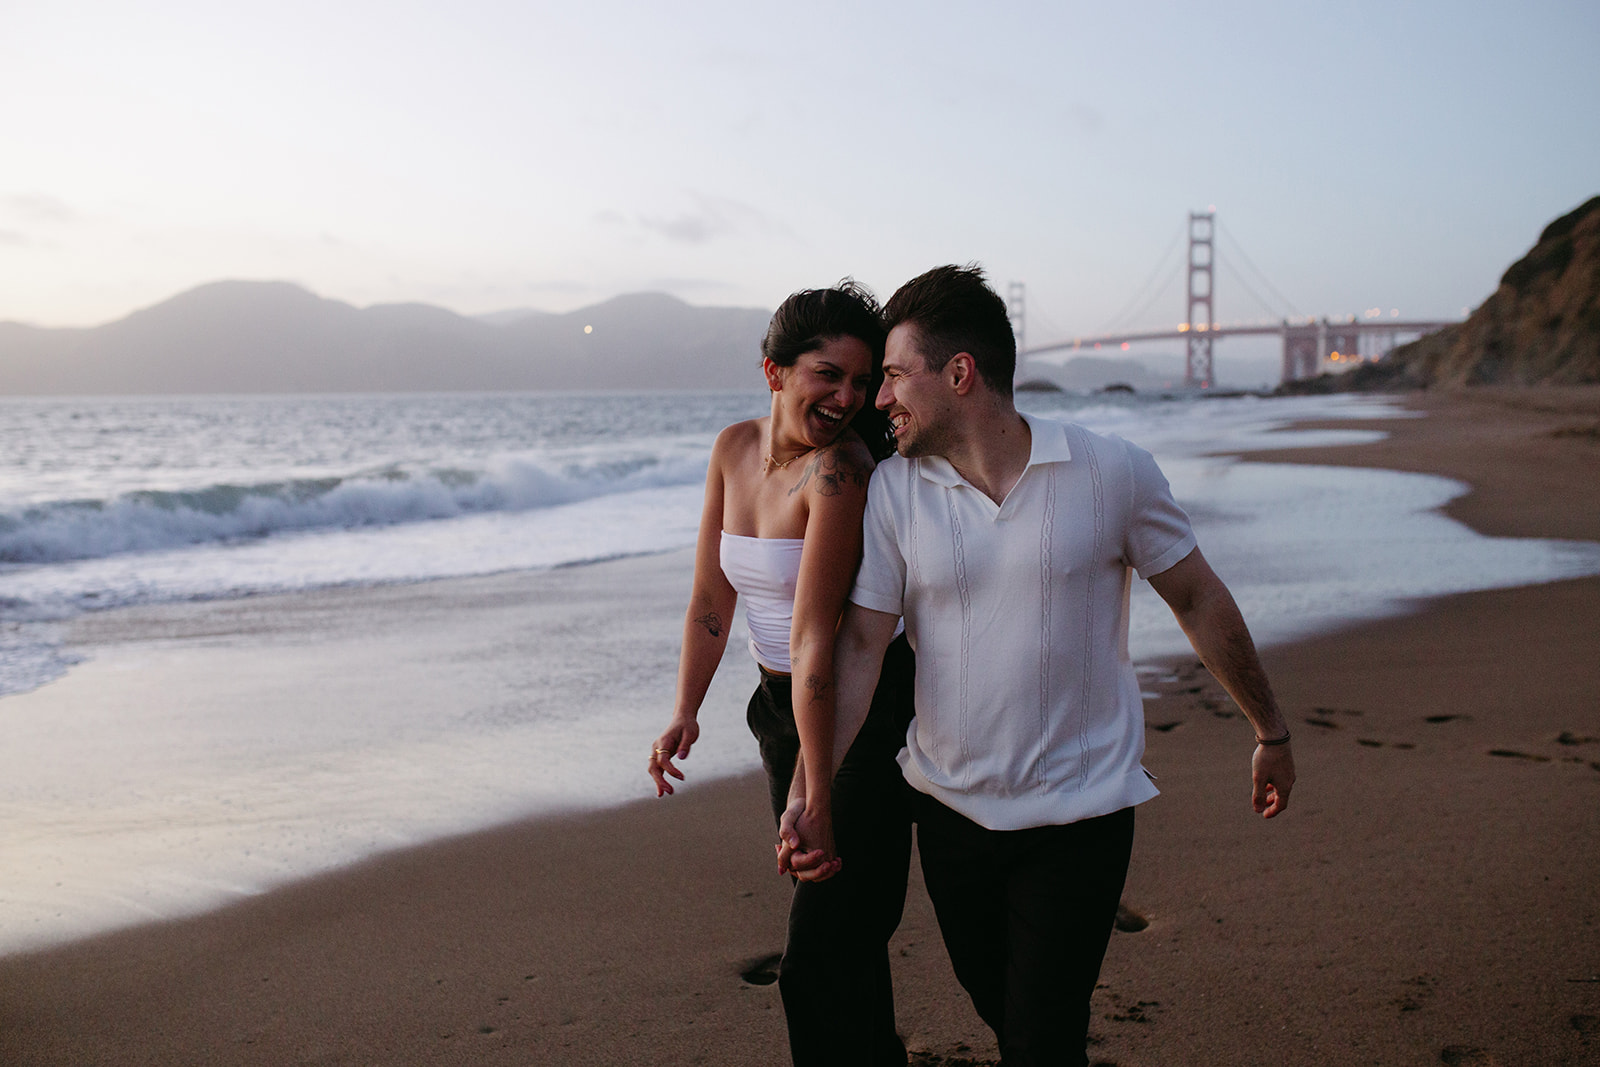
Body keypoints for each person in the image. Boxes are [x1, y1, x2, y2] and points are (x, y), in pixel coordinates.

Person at [782, 265, 1295, 1067]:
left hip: (1080, 816)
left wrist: (1271, 728)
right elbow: (858, 650)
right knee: (1002, 1007)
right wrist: (811, 789)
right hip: (950, 816)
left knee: (1039, 1038)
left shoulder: (1111, 471)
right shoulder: (896, 495)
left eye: (891, 375)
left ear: (960, 373)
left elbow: (1196, 597)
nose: (878, 401)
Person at [647, 281, 916, 1067]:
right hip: (778, 712)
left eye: (861, 381)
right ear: (774, 372)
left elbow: (814, 642)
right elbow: (710, 596)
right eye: (827, 374)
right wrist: (685, 709)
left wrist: (819, 789)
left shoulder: (843, 472)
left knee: (816, 959)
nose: (848, 396)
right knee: (843, 930)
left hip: (853, 716)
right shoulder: (732, 449)